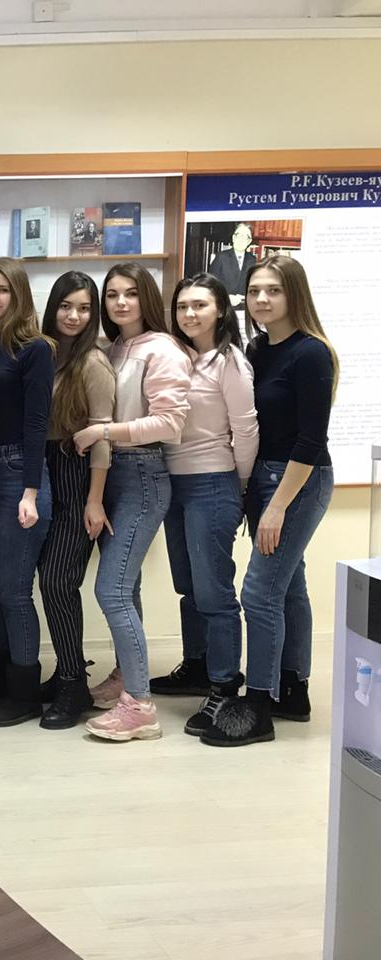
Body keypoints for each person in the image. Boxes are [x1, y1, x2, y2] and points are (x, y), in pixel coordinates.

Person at [204, 255, 336, 747]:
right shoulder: (258, 349)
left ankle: (258, 704)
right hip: (264, 476)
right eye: (256, 290)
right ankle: (293, 689)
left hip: (299, 480)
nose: (261, 299)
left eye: (274, 290)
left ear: (294, 294)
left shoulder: (311, 353)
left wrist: (278, 505)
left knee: (259, 592)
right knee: (289, 582)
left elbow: (311, 440)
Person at [73, 263, 190, 742]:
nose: (120, 303)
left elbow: (170, 423)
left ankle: (140, 707)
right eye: (112, 295)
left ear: (147, 298)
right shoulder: (113, 347)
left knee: (112, 590)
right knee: (128, 587)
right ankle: (127, 678)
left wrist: (104, 431)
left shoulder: (162, 348)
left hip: (143, 474)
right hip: (113, 475)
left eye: (131, 294)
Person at [158, 273, 258, 737]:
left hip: (213, 483)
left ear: (220, 309)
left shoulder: (229, 361)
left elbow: (246, 429)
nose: (189, 314)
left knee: (215, 595)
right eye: (182, 306)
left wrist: (240, 486)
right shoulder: (176, 357)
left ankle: (224, 687)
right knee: (189, 587)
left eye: (199, 305)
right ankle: (196, 667)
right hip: (173, 485)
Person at [0, 258, 55, 727]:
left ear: (18, 294)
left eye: (2, 289)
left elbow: (37, 422)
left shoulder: (35, 349)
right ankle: (4, 675)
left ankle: (24, 692)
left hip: (17, 472)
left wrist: (30, 491)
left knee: (16, 591)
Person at [35, 272, 115, 730]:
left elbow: (102, 436)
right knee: (49, 582)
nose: (74, 316)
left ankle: (72, 684)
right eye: (66, 306)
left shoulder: (93, 362)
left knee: (58, 582)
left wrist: (94, 500)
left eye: (84, 308)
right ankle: (67, 672)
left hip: (77, 475)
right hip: (43, 472)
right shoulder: (43, 353)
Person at [206, 222, 256, 305]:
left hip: (244, 306)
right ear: (233, 238)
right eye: (239, 235)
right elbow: (210, 285)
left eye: (245, 237)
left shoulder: (253, 260)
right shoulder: (221, 257)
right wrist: (227, 298)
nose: (241, 239)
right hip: (224, 304)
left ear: (249, 241)